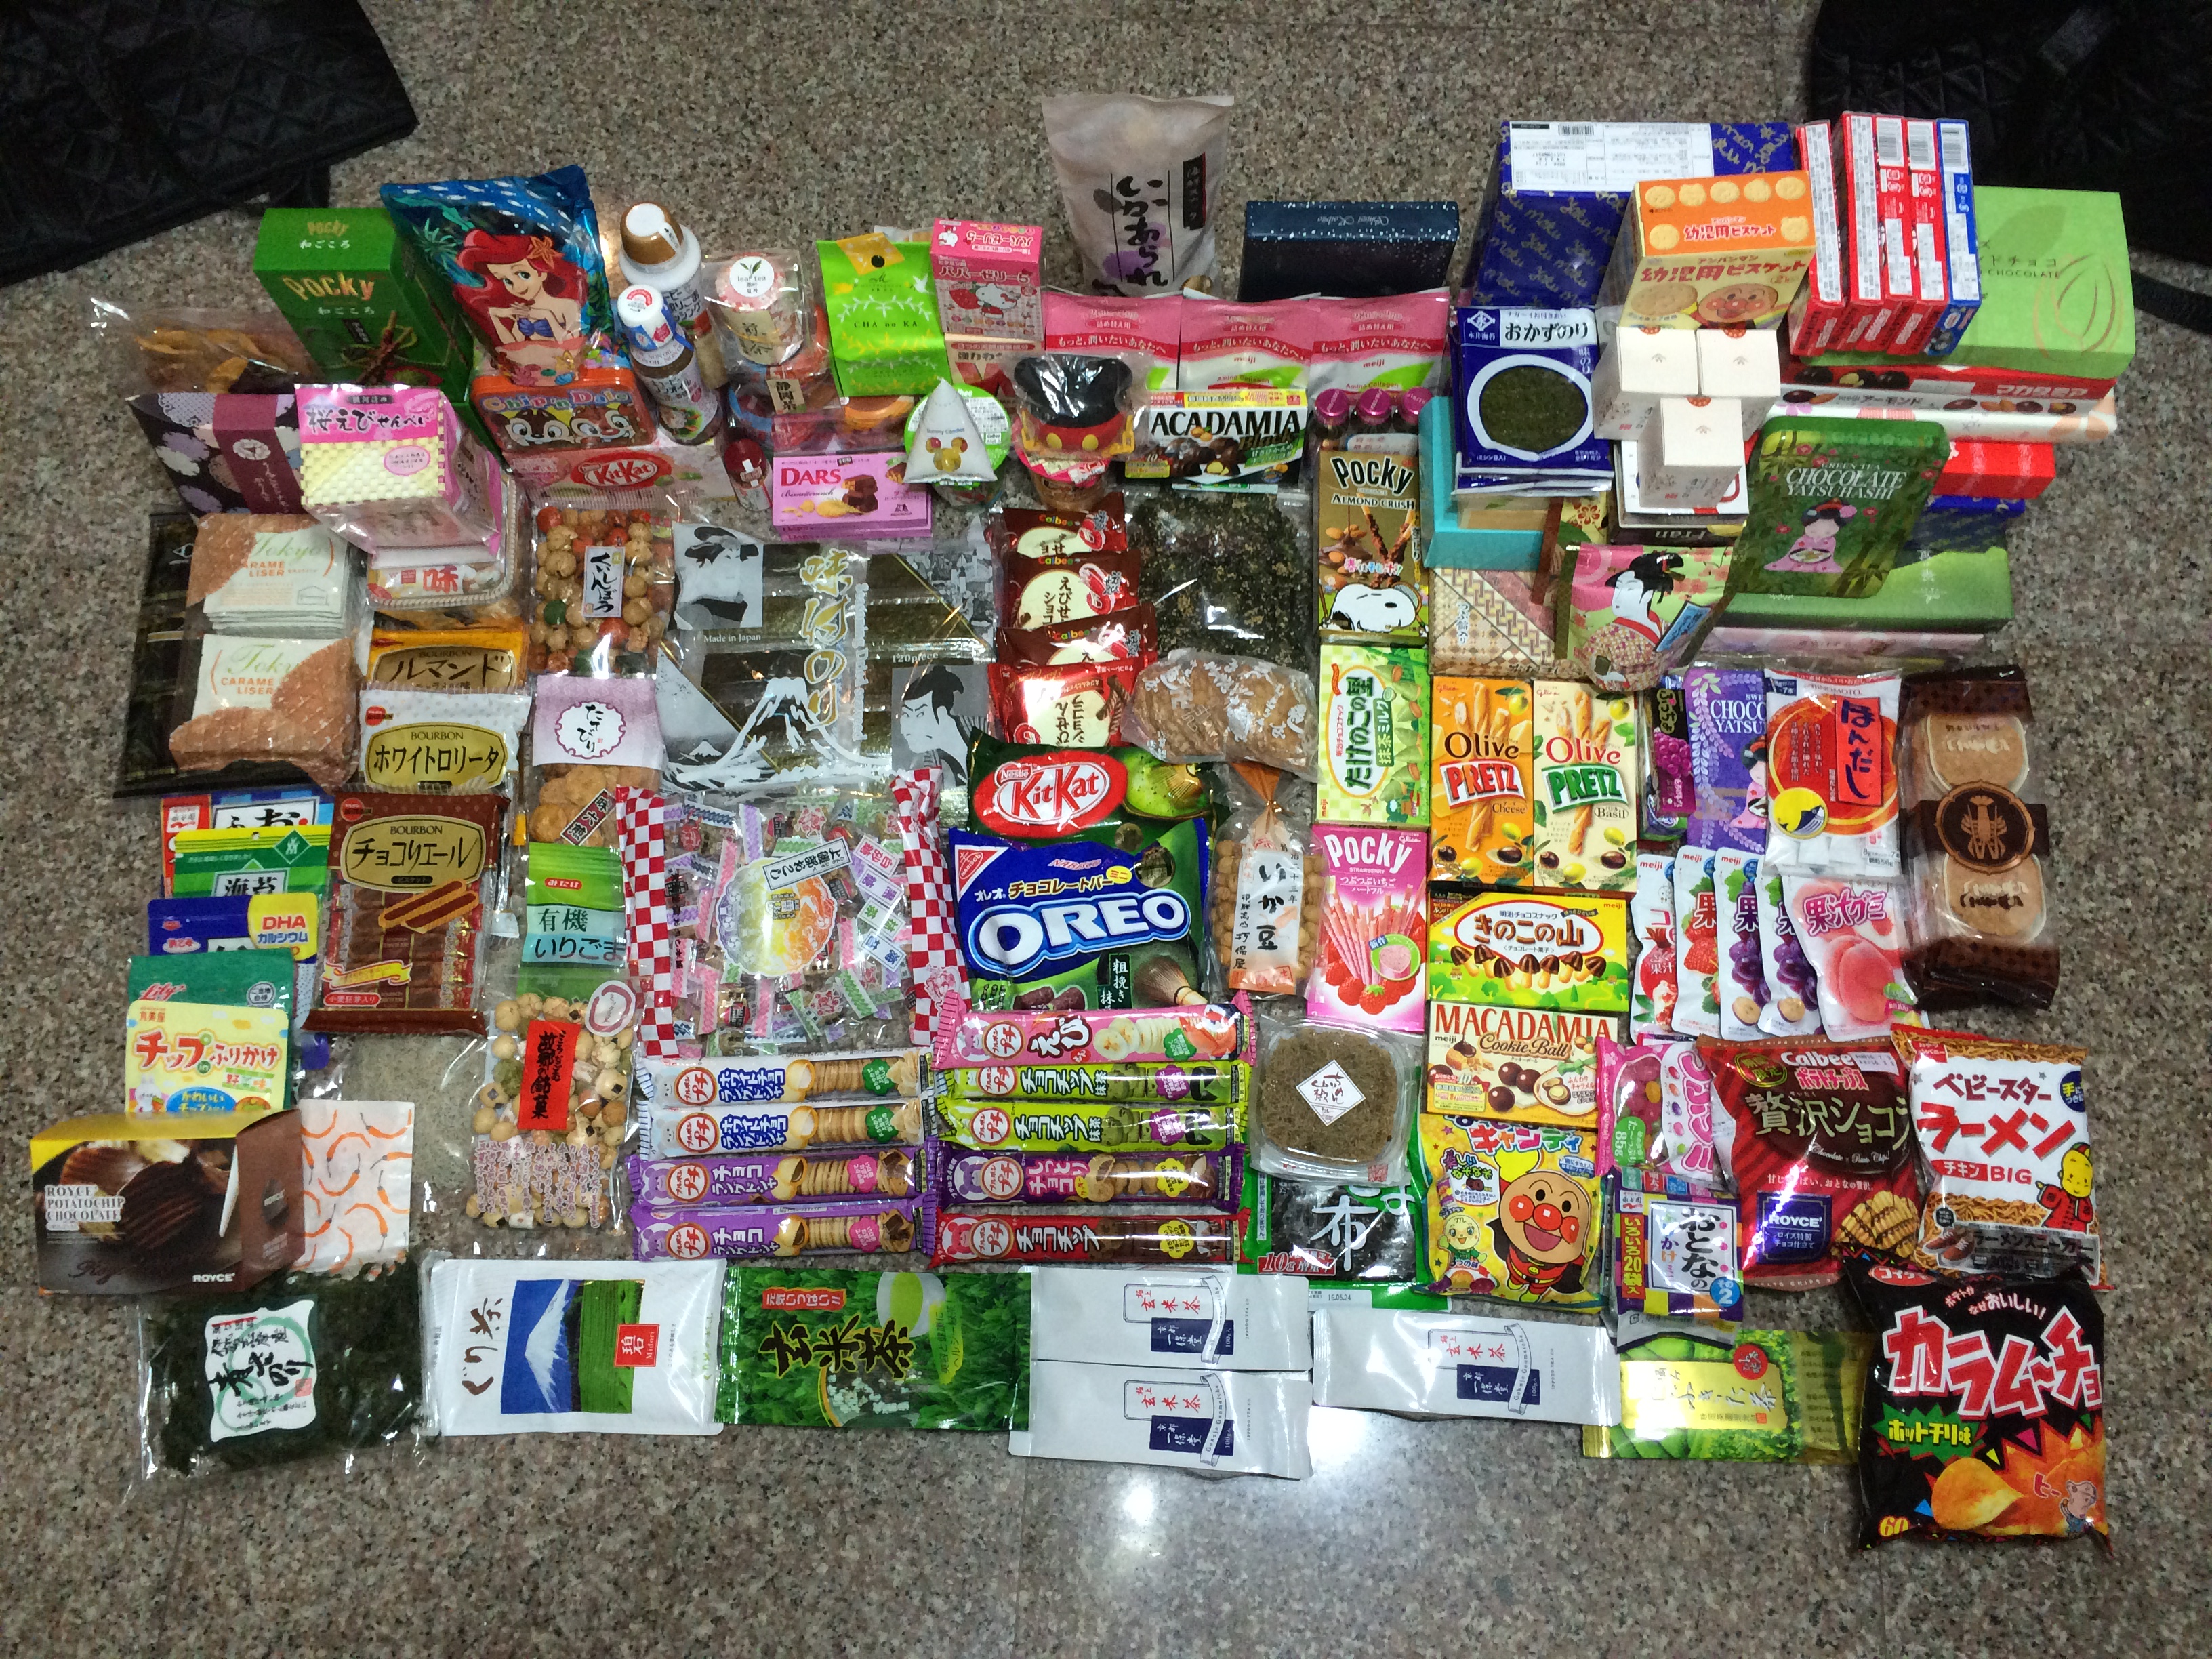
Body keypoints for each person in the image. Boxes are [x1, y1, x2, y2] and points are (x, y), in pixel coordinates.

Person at [896, 663, 979, 784]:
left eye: (919, 714)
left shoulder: (983, 729)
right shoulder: (931, 761)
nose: (905, 731)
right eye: (906, 715)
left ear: (942, 713)